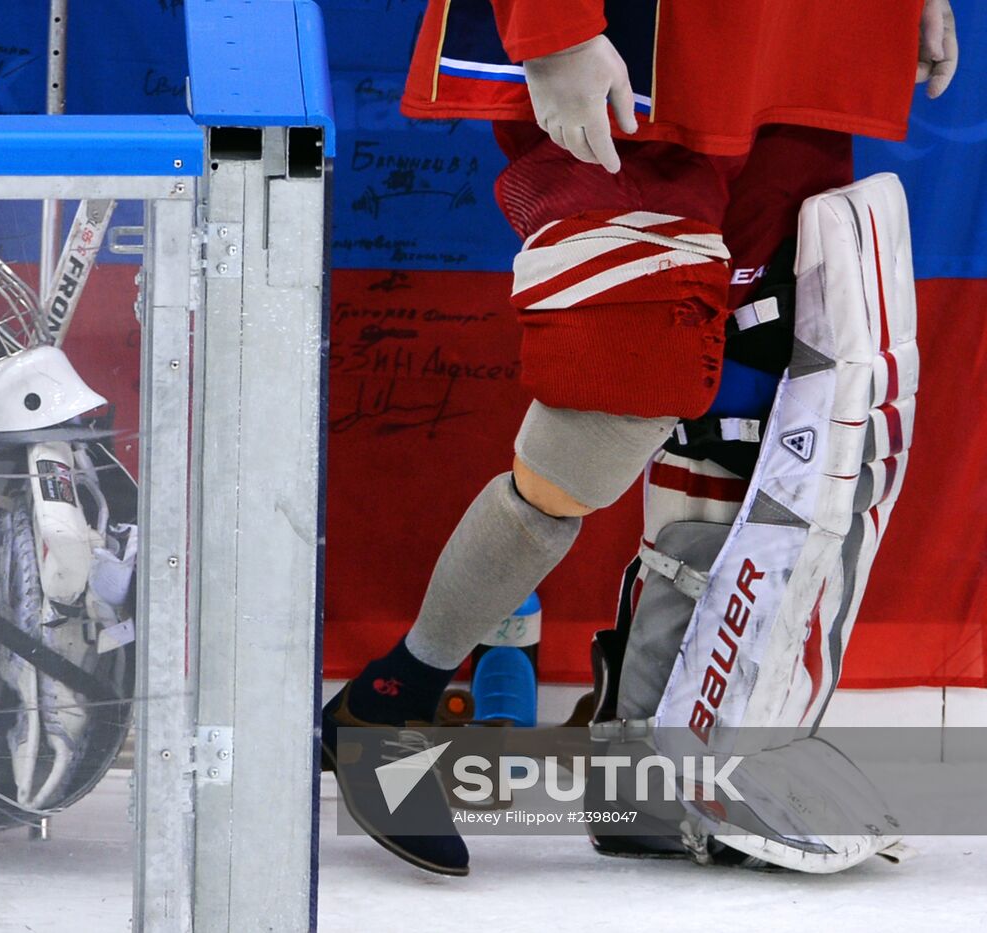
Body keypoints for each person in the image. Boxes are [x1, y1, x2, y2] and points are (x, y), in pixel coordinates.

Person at [322, 0, 959, 877]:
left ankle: (654, 764)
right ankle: (393, 696)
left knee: (750, 388)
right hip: (642, 37)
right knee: (612, 405)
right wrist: (553, 25)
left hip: (810, 35)